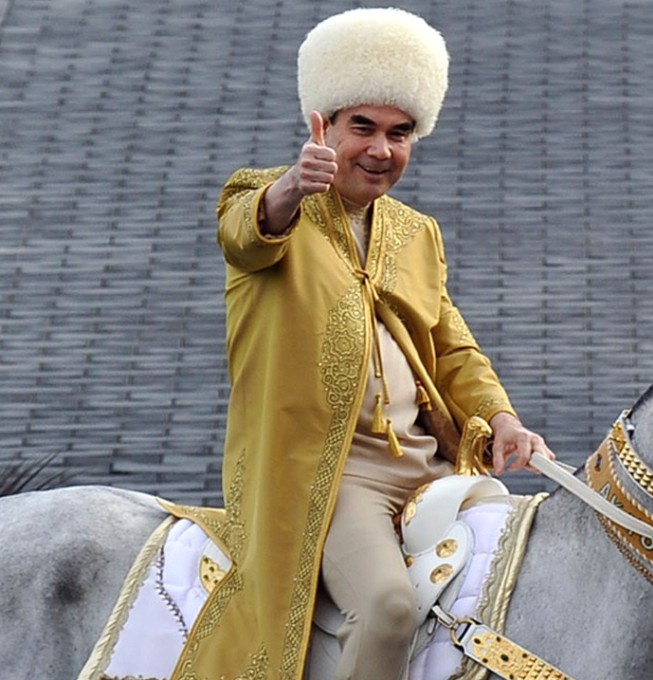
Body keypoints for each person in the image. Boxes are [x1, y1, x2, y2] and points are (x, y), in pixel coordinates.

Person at [167, 8, 554, 680]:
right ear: (324, 124)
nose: (382, 149)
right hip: (332, 475)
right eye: (362, 128)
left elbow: (452, 347)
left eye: (400, 133)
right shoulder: (262, 196)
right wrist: (294, 183)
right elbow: (245, 234)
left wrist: (502, 418)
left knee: (533, 586)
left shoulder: (417, 233)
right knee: (389, 608)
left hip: (436, 469)